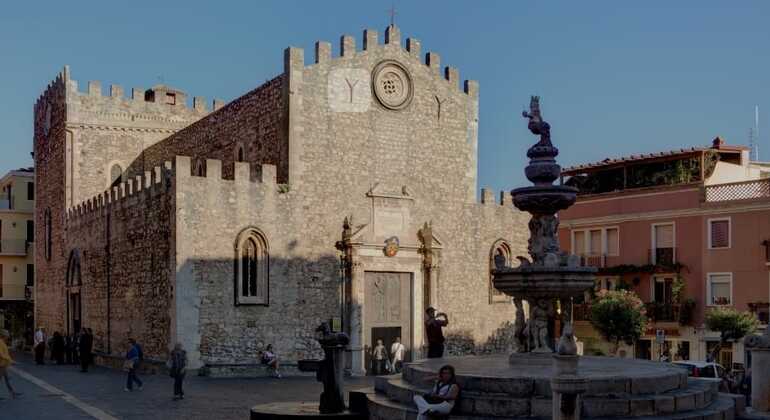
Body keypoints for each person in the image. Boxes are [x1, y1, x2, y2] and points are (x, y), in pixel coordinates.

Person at [0, 330, 22, 399]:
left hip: (3, 364)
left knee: (7, 379)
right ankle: (12, 393)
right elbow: (2, 354)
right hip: (1, 365)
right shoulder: (0, 343)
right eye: (7, 335)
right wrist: (11, 361)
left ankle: (12, 393)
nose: (8, 337)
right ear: (4, 336)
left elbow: (6, 354)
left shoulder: (3, 342)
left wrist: (11, 361)